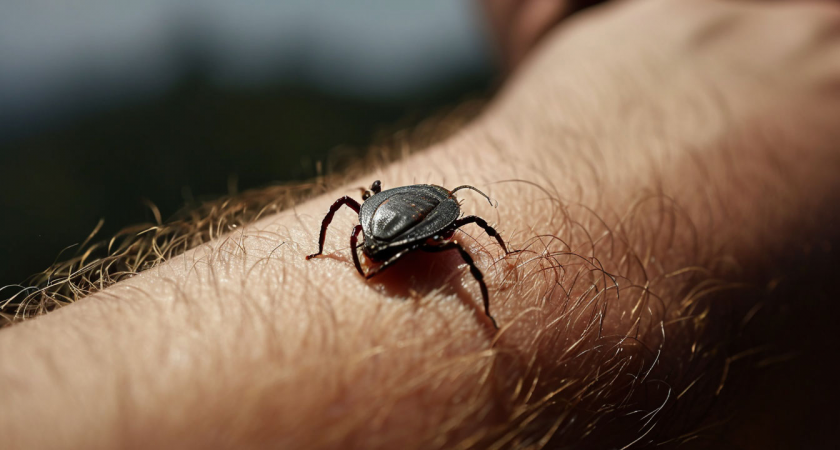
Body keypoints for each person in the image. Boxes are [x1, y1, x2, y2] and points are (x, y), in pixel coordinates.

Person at [2, 0, 839, 448]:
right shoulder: (442, 221)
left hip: (389, 219)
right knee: (465, 226)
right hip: (408, 217)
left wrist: (357, 244)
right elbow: (459, 229)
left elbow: (402, 220)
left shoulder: (384, 214)